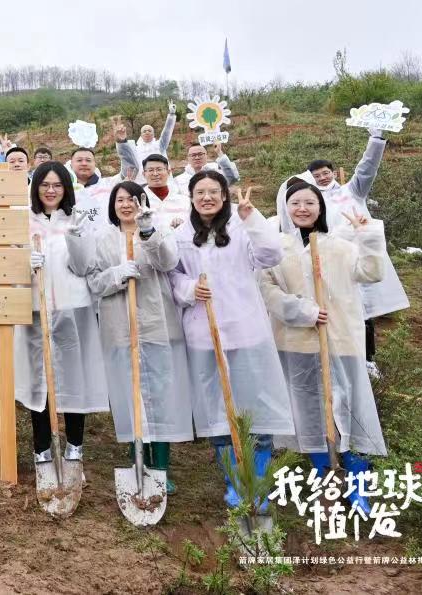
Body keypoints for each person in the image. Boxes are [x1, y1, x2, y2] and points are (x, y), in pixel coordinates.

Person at [260, 179, 386, 514]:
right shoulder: (277, 249)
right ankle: (325, 476)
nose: (302, 209)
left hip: (340, 341)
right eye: (295, 203)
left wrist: (368, 235)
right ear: (285, 208)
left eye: (309, 203)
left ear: (321, 208)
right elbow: (267, 290)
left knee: (348, 409)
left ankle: (356, 482)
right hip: (296, 344)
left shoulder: (340, 246)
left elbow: (372, 272)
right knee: (308, 413)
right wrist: (303, 312)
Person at [169, 171, 292, 510]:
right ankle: (235, 482)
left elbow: (271, 255)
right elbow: (172, 276)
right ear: (191, 197)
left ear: (224, 196)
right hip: (204, 335)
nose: (207, 197)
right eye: (200, 192)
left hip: (245, 330)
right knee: (217, 410)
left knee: (256, 407)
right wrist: (190, 289)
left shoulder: (241, 228)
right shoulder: (181, 235)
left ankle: (258, 480)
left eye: (214, 191)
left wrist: (251, 218)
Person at [83, 181, 192, 493]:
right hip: (120, 327)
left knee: (160, 395)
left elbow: (167, 262)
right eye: (120, 200)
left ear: (142, 202)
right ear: (112, 205)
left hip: (157, 324)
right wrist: (117, 274)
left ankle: (160, 467)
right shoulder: (102, 239)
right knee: (130, 395)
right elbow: (93, 282)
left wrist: (148, 232)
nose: (126, 204)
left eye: (132, 199)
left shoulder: (158, 229)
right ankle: (138, 462)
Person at [278, 130, 408, 379]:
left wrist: (376, 140)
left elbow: (367, 169)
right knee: (334, 312)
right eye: (317, 176)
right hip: (328, 263)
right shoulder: (310, 200)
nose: (323, 178)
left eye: (326, 173)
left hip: (357, 259)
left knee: (363, 312)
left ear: (334, 173)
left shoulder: (352, 191)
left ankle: (367, 359)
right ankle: (330, 357)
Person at [18, 161, 108, 486]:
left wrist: (78, 237)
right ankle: (42, 451)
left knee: (73, 380)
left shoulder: (76, 219)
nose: (51, 190)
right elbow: (7, 264)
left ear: (66, 188)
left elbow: (85, 266)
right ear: (36, 188)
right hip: (34, 312)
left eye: (57, 185)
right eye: (45, 184)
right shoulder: (24, 221)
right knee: (39, 382)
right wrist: (23, 263)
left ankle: (74, 451)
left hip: (72, 311)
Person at [140, 154, 188, 230]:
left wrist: (183, 224)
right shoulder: (139, 202)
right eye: (151, 170)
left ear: (168, 172)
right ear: (144, 174)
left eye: (159, 169)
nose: (155, 174)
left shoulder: (184, 200)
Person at [172, 143, 240, 191]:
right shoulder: (179, 180)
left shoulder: (216, 173)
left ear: (206, 156)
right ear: (188, 158)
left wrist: (219, 152)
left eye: (200, 154)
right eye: (193, 155)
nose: (197, 157)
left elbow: (232, 177)